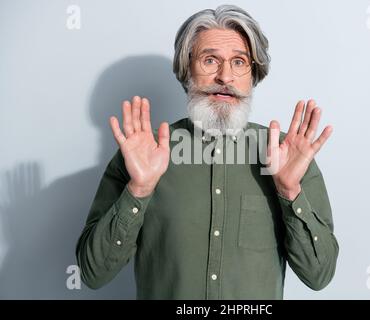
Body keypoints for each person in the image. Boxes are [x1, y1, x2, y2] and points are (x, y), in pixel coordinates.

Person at [76, 4, 339, 300]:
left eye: (239, 62)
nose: (225, 76)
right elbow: (93, 273)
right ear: (187, 69)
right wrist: (139, 188)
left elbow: (320, 275)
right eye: (210, 60)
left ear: (253, 75)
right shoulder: (142, 154)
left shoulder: (287, 155)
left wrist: (290, 193)